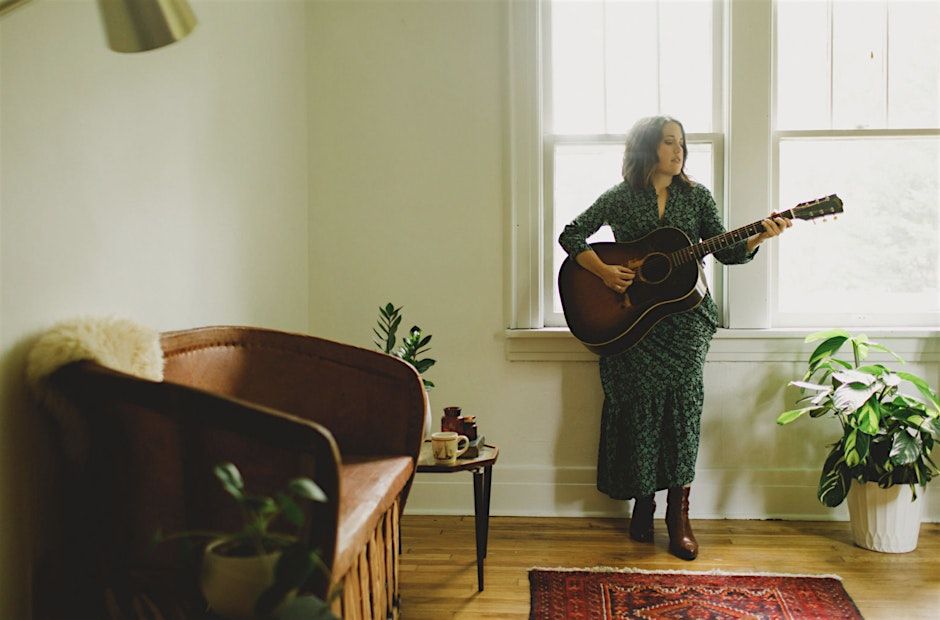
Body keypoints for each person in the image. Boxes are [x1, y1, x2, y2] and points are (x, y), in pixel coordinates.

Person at [558, 115, 790, 560]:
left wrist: (762, 234)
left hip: (685, 324)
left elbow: (726, 253)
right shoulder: (620, 199)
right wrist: (606, 272)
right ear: (649, 148)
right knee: (636, 409)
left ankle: (677, 514)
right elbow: (571, 235)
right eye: (669, 143)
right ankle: (641, 504)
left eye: (681, 144)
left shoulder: (697, 196)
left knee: (682, 412)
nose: (678, 151)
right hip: (630, 324)